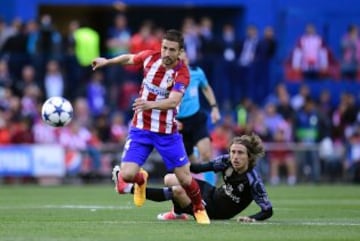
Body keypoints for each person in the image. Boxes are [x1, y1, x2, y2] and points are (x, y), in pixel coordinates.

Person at [91, 29, 210, 224]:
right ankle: (140, 179)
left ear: (180, 52)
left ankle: (198, 207)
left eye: (172, 49)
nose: (166, 53)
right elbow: (130, 58)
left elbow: (173, 101)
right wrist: (108, 61)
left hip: (166, 133)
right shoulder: (150, 57)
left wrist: (150, 104)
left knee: (185, 179)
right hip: (141, 129)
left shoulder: (182, 73)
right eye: (164, 48)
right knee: (127, 175)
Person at [113, 133, 273, 222]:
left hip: (215, 211)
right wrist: (177, 161)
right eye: (233, 152)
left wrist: (251, 219)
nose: (235, 157)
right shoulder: (226, 161)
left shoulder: (253, 180)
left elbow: (267, 210)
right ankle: (177, 213)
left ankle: (127, 188)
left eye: (240, 153)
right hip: (212, 193)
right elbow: (199, 167)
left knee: (177, 190)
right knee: (170, 178)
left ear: (249, 156)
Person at [177, 53, 221, 164]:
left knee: (206, 154)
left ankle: (209, 179)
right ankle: (195, 177)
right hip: (178, 123)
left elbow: (206, 88)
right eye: (179, 60)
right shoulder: (168, 77)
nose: (183, 62)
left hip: (196, 118)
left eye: (184, 58)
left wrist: (214, 108)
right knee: (189, 163)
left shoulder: (197, 72)